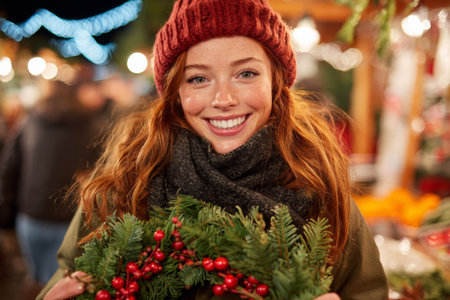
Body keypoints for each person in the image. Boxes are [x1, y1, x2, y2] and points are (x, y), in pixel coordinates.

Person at [38, 0, 388, 299]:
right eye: (198, 79)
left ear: (276, 83)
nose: (223, 100)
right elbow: (69, 277)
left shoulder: (324, 195)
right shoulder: (125, 187)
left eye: (246, 74)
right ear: (174, 92)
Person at [0, 79, 107, 289]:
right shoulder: (94, 124)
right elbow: (102, 175)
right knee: (62, 283)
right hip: (71, 221)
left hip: (30, 216)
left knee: (37, 278)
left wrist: (7, 215)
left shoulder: (30, 121)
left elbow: (9, 169)